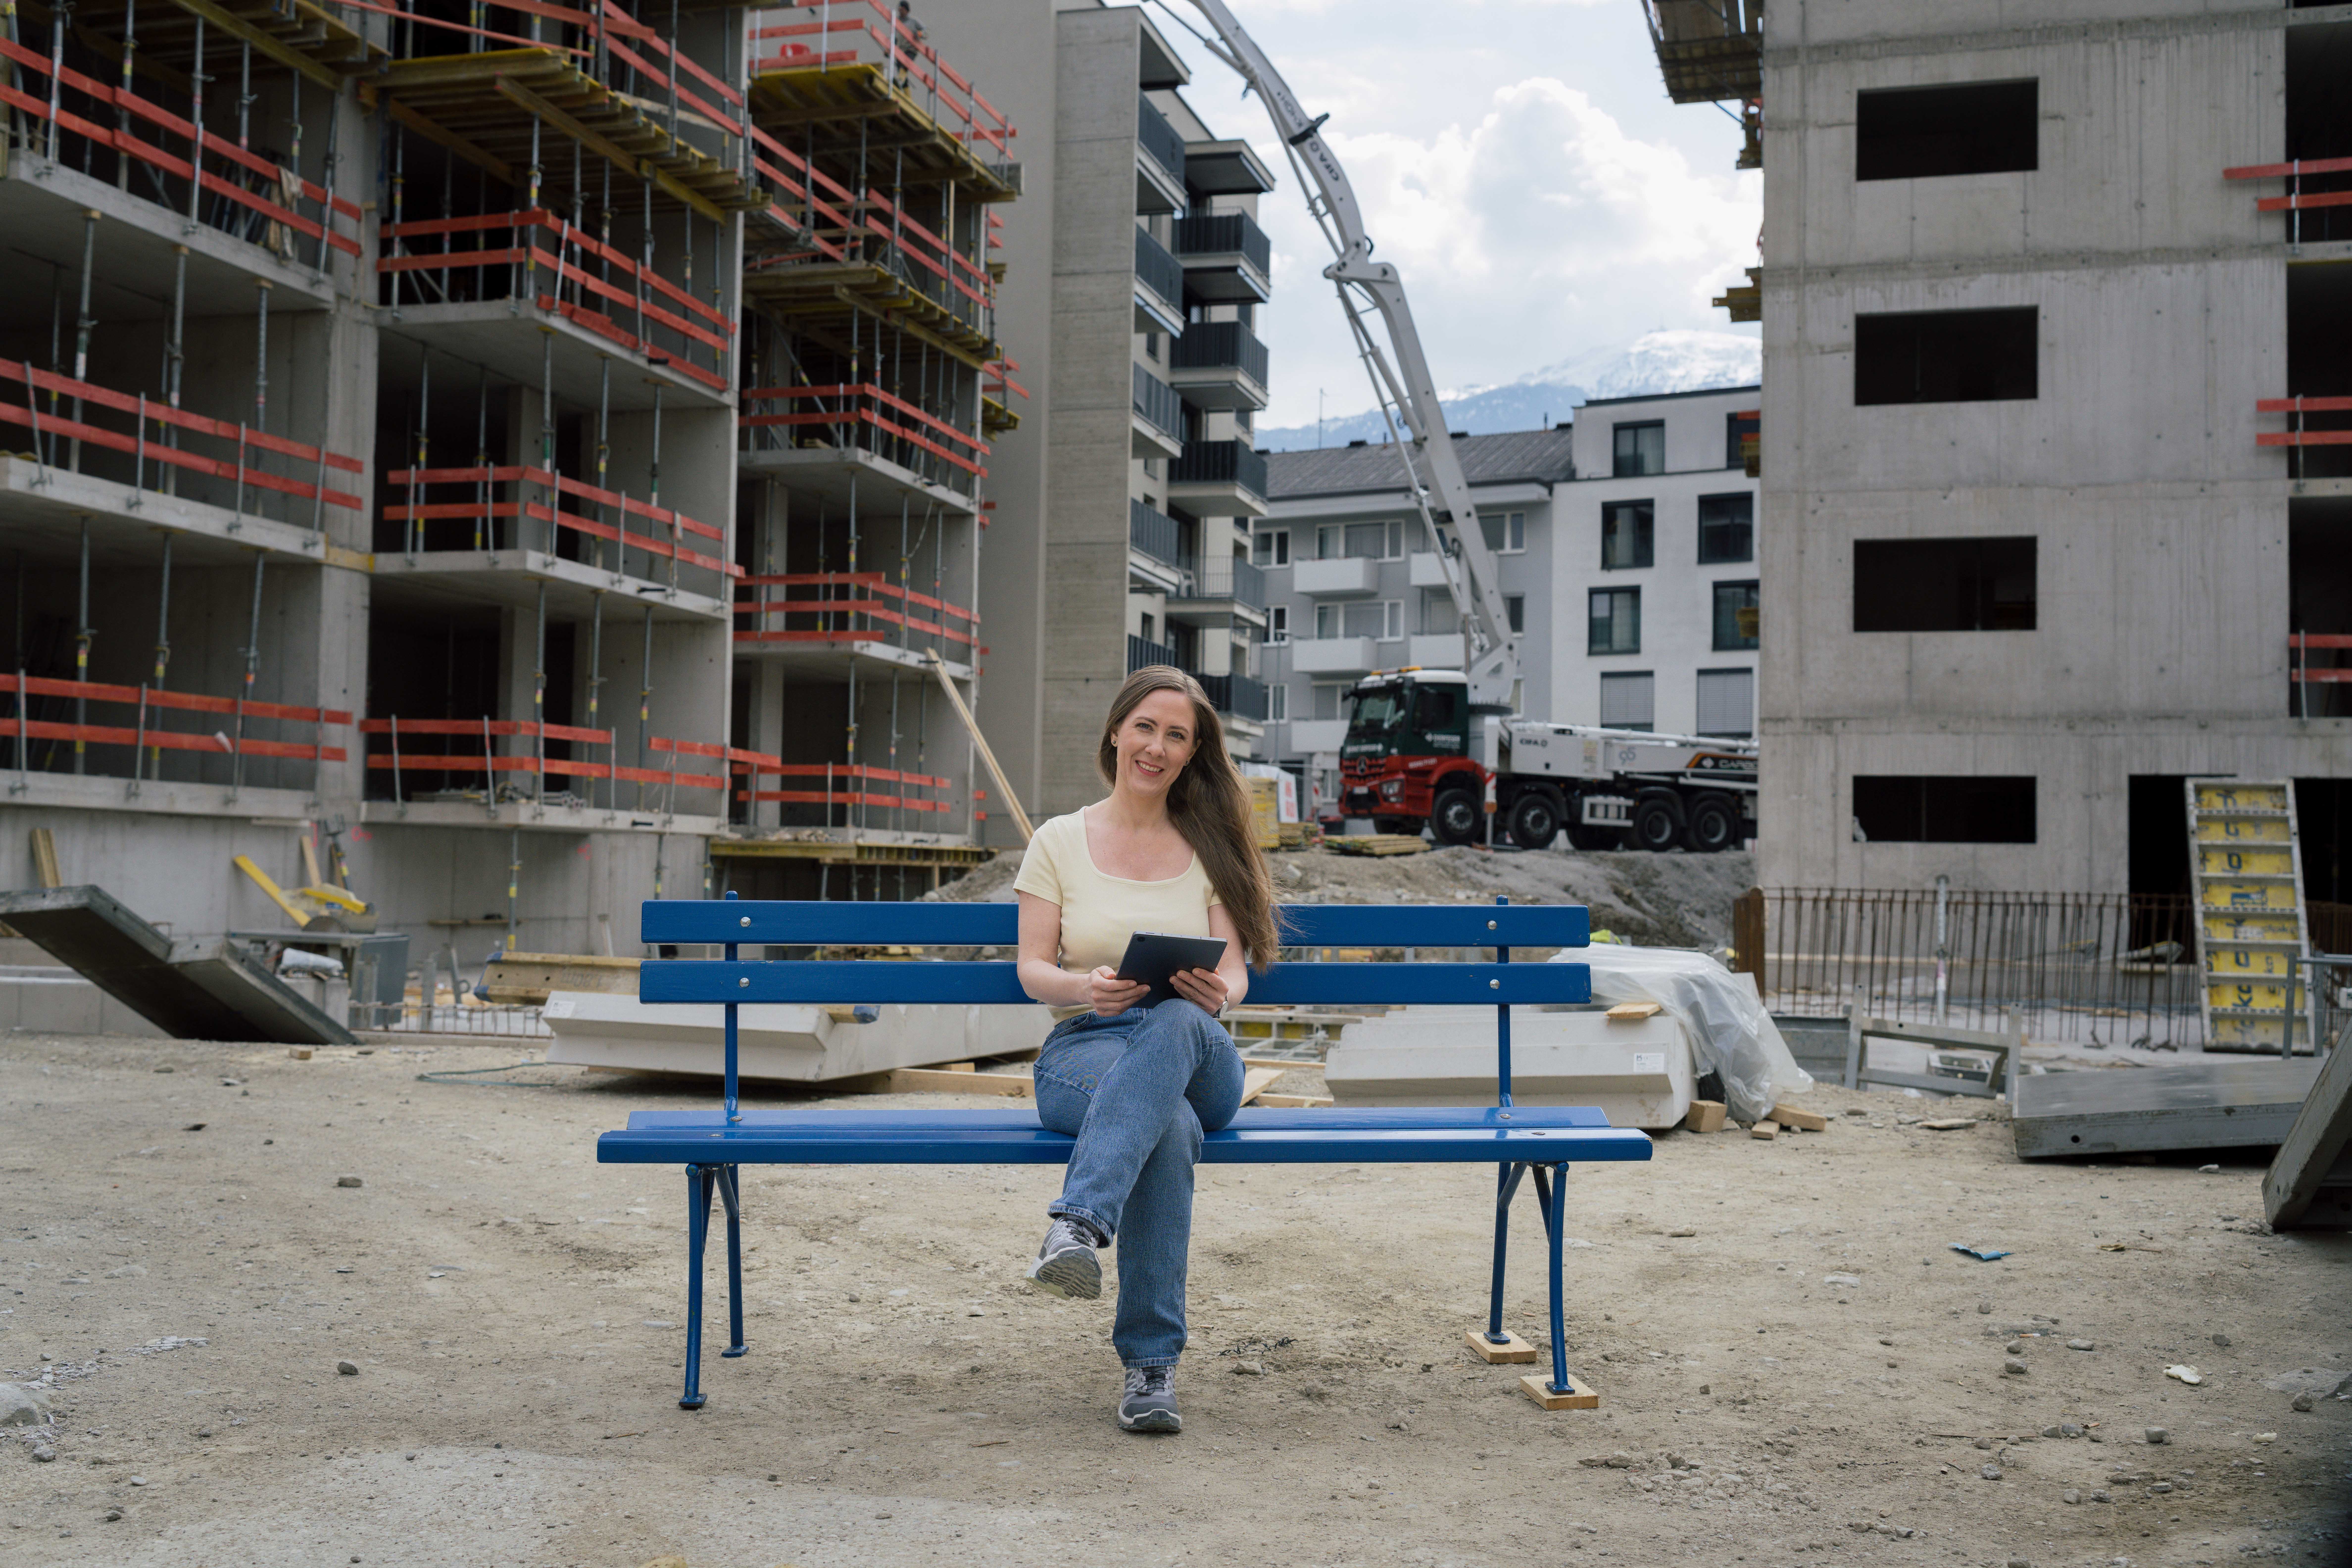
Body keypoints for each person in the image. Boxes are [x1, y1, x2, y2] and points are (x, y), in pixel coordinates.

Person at [1011, 665, 1281, 1434]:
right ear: (1116, 731)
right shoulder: (1058, 841)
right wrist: (1084, 989)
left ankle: (1079, 1223)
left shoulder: (1209, 846)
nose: (1156, 747)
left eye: (1176, 736)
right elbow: (1033, 969)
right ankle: (1151, 1371)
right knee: (1165, 1128)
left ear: (1193, 754)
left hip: (1196, 1055)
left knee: (1180, 1022)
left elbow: (1233, 969)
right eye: (1146, 728)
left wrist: (1220, 995)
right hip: (1086, 1051)